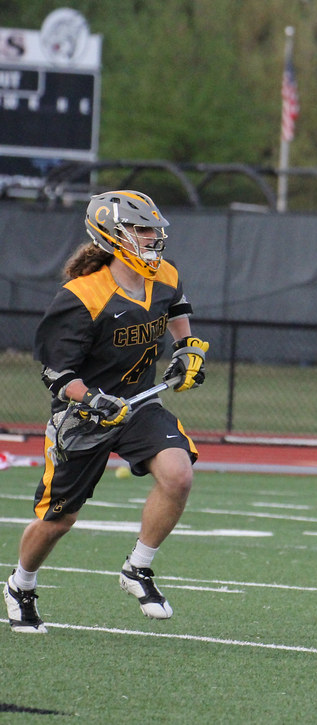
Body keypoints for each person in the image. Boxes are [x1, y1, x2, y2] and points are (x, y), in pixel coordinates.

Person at [4, 190, 209, 634]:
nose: (153, 238)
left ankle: (138, 568)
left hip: (138, 403)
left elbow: (177, 306)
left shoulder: (164, 275)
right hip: (83, 416)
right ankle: (20, 585)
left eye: (155, 229)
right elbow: (57, 372)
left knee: (178, 474)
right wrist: (92, 399)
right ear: (112, 235)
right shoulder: (81, 295)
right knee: (59, 518)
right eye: (142, 229)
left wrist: (187, 348)